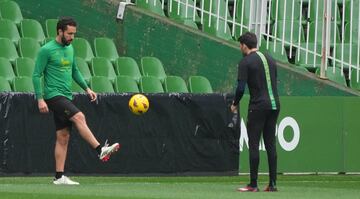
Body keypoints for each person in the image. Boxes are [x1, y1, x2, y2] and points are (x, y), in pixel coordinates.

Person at [32, 17, 120, 185]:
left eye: (74, 34)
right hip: (53, 95)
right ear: (60, 31)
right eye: (69, 33)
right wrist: (40, 98)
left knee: (63, 136)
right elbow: (36, 75)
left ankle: (59, 177)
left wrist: (87, 88)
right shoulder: (46, 50)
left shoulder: (70, 49)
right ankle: (100, 149)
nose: (72, 37)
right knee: (79, 117)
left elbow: (75, 70)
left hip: (66, 95)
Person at [231, 32, 280, 192]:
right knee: (270, 143)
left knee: (253, 144)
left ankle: (253, 184)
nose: (240, 48)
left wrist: (235, 103)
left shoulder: (245, 62)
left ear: (245, 45)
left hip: (258, 106)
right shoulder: (270, 59)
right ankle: (272, 184)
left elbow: (240, 88)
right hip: (274, 105)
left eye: (240, 45)